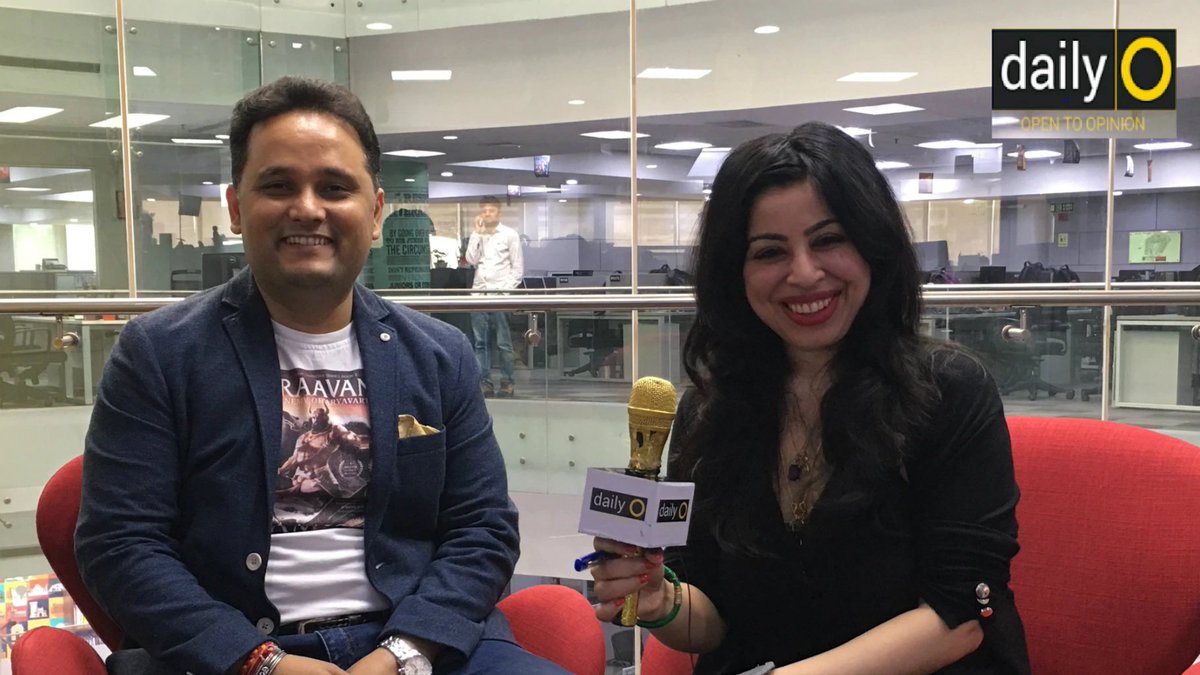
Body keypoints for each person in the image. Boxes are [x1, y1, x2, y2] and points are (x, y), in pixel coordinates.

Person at [76, 76, 566, 675]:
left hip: (416, 646)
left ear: (375, 211)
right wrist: (261, 663)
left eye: (335, 188)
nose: (307, 208)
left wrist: (406, 652)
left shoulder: (440, 355)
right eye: (278, 185)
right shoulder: (159, 353)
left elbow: (482, 529)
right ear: (236, 207)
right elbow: (120, 544)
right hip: (232, 657)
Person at [589, 122, 1030, 674]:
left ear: (873, 247)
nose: (804, 273)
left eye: (829, 240)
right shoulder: (711, 411)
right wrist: (664, 601)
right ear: (735, 273)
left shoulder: (951, 392)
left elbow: (958, 617)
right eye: (770, 251)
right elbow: (716, 620)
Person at [463, 196, 523, 398]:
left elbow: (517, 269)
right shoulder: (478, 234)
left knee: (503, 343)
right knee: (480, 343)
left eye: (491, 211)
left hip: (500, 296)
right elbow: (471, 260)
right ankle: (484, 383)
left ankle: (507, 382)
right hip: (479, 294)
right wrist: (477, 234)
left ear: (499, 213)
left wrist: (503, 292)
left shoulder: (509, 235)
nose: (487, 214)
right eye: (484, 211)